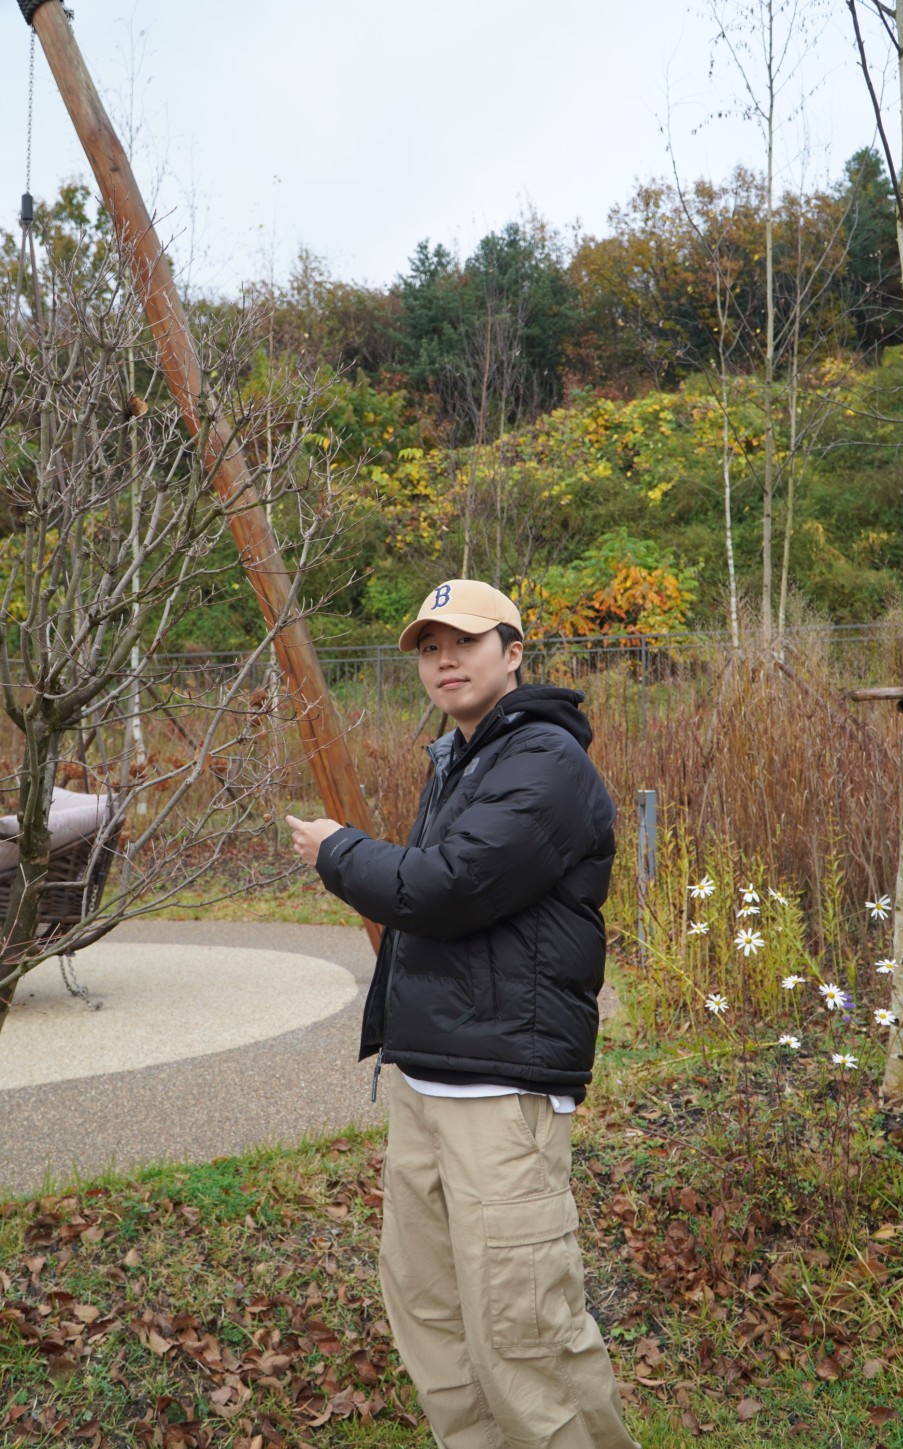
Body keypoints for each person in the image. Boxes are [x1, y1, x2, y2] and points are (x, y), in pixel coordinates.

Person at [287, 579, 637, 1449]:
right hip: (426, 1078)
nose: (444, 659)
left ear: (513, 653)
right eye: (429, 646)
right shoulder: (462, 756)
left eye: (466, 641)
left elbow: (442, 890)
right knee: (432, 1308)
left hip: (500, 1088)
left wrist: (340, 851)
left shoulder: (546, 763)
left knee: (524, 1328)